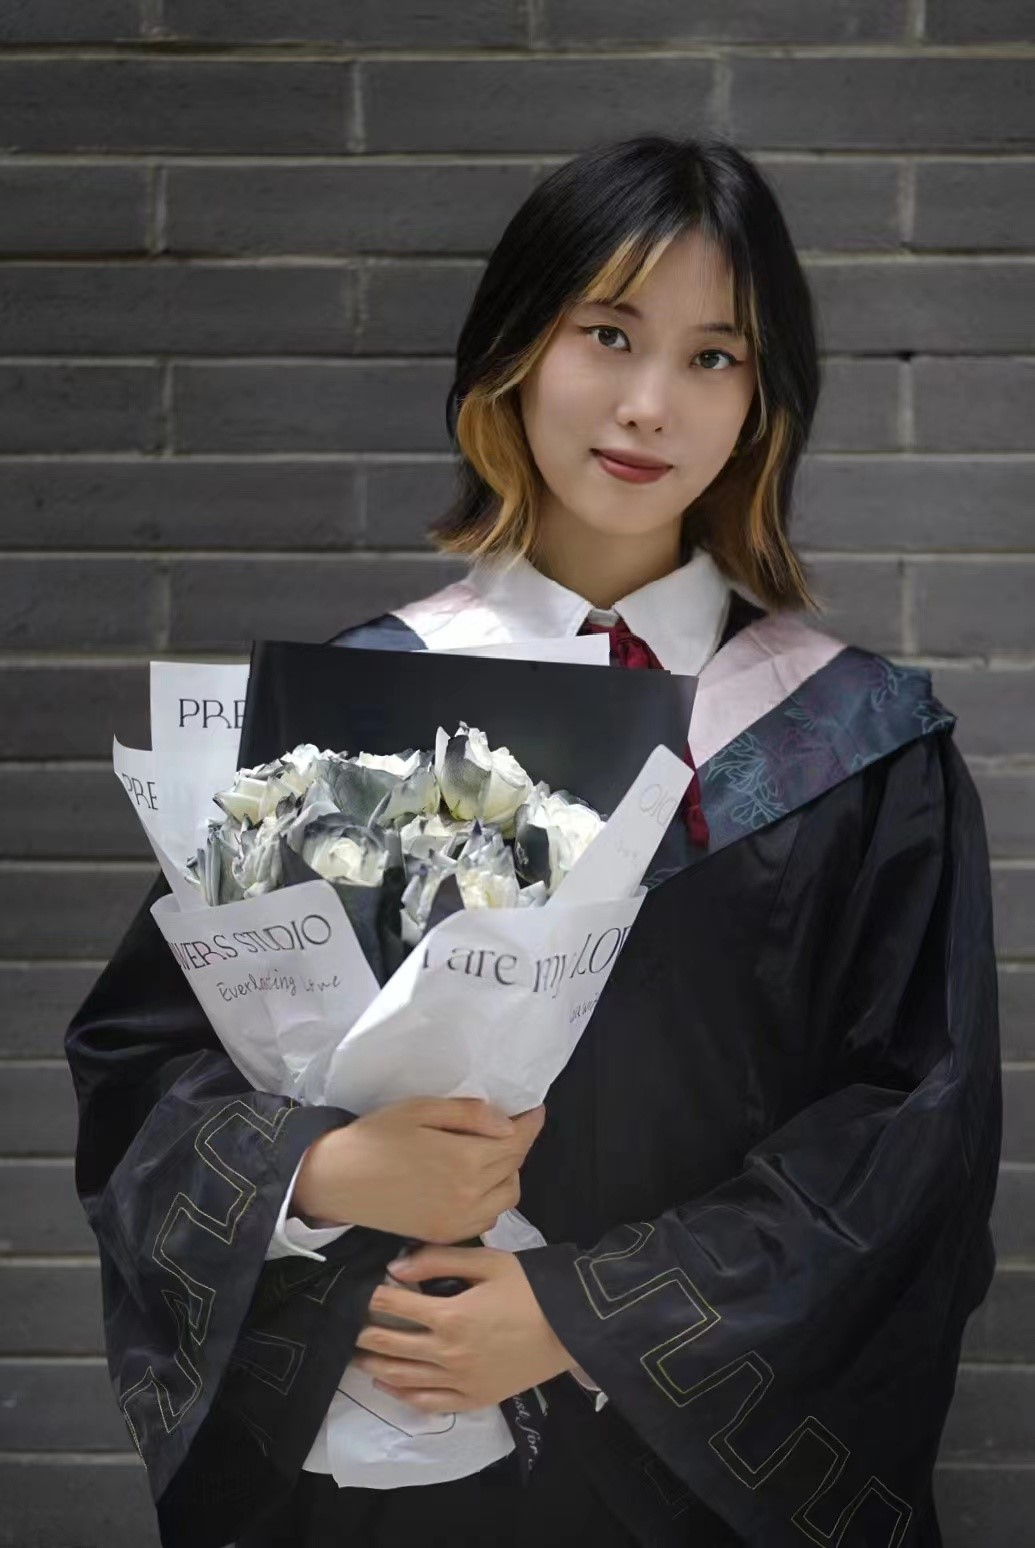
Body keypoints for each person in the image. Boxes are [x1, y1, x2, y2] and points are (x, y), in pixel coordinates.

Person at [65, 136, 1001, 1548]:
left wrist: (578, 1316)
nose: (648, 405)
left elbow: (912, 1141)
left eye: (714, 357)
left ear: (765, 403)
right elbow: (148, 1070)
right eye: (607, 334)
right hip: (393, 1460)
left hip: (690, 1492)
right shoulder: (348, 713)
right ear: (517, 348)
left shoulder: (854, 746)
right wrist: (319, 1173)